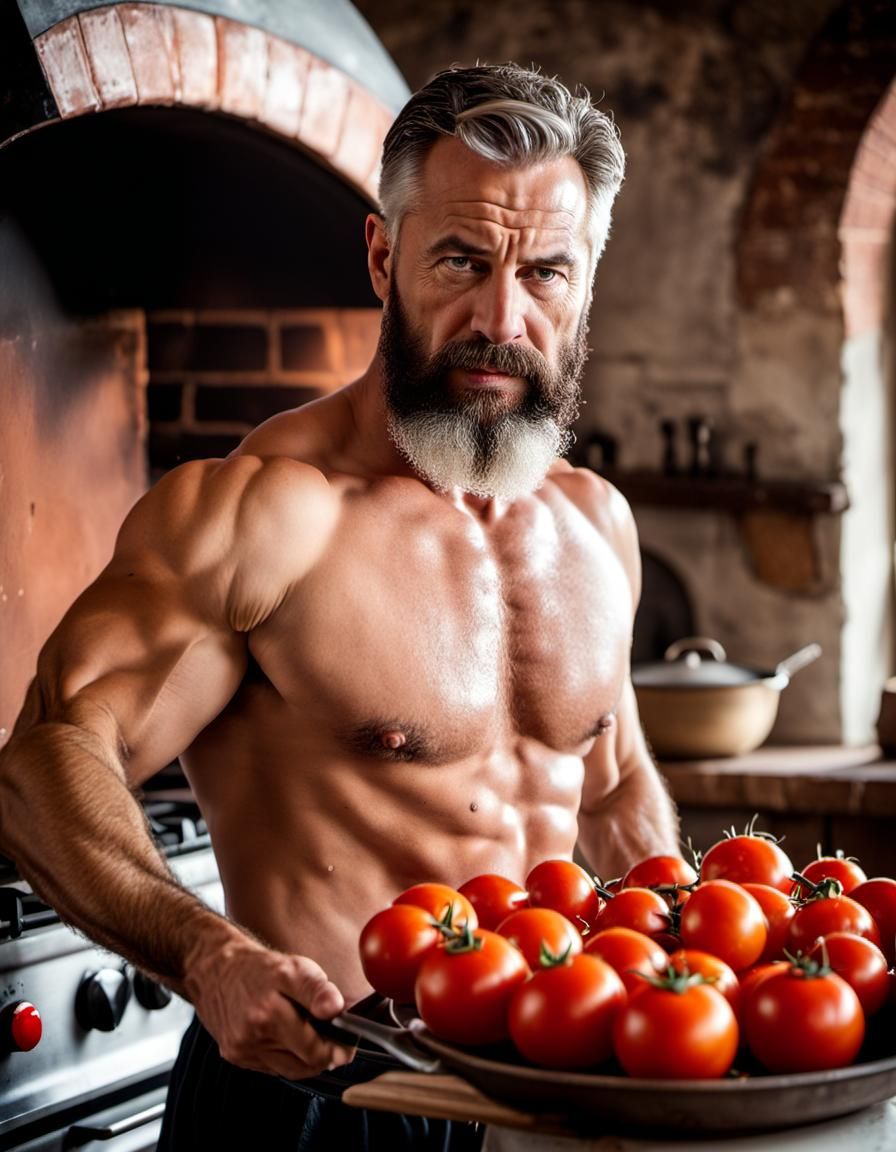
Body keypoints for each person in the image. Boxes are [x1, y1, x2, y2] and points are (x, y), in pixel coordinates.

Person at [0, 63, 680, 1149]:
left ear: (585, 280)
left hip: (558, 1090)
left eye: (545, 273)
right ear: (381, 256)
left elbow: (608, 784)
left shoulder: (594, 526)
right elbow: (47, 755)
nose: (501, 319)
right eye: (461, 260)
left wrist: (697, 968)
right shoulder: (268, 516)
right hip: (329, 1102)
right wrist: (210, 956)